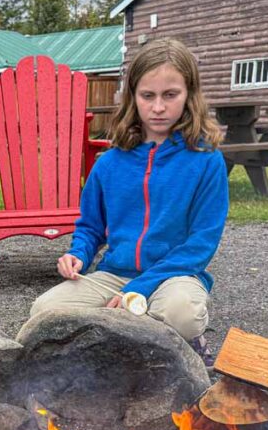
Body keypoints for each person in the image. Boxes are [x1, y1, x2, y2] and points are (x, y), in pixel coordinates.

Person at [29, 37, 228, 363]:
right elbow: (91, 227)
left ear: (190, 95)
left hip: (174, 276)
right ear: (133, 97)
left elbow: (200, 245)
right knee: (44, 311)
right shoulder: (109, 163)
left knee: (181, 314)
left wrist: (140, 289)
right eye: (147, 96)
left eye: (170, 95)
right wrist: (77, 254)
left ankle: (187, 345)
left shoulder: (206, 161)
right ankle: (122, 346)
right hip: (114, 274)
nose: (158, 107)